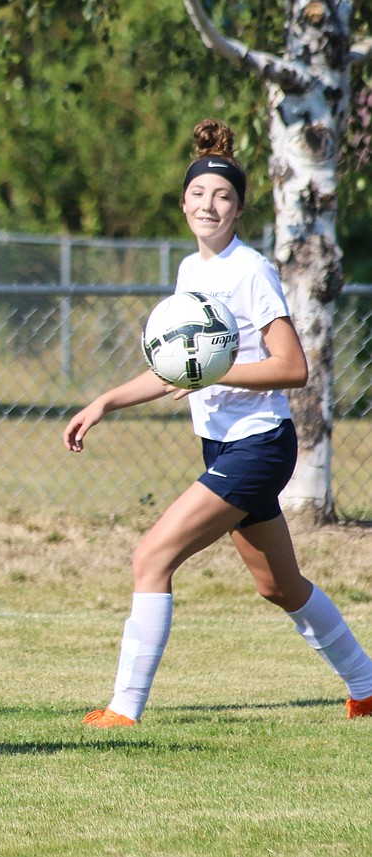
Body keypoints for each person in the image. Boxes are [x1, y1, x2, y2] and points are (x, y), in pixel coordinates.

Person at [62, 118, 372, 728]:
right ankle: (366, 684)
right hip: (222, 446)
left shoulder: (249, 270)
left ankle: (124, 711)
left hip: (258, 446)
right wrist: (105, 402)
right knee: (279, 586)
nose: (210, 204)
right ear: (183, 204)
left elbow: (292, 366)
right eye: (199, 194)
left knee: (151, 556)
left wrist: (220, 376)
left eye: (223, 196)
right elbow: (181, 369)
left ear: (238, 208)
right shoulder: (190, 273)